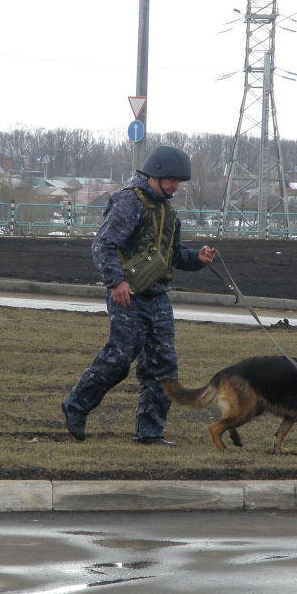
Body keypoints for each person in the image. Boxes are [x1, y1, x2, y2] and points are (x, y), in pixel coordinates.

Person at [61, 145, 217, 446]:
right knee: (119, 358)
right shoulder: (129, 201)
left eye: (179, 182)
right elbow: (103, 246)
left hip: (158, 298)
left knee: (162, 368)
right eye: (171, 179)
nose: (175, 186)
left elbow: (174, 255)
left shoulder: (168, 210)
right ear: (154, 174)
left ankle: (149, 434)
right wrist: (116, 282)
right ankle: (76, 406)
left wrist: (198, 257)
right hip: (128, 295)